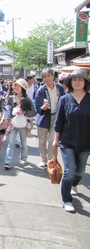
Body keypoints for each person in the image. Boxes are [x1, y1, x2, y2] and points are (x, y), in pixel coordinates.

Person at [53, 69, 90, 213]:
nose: (77, 82)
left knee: (80, 171)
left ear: (85, 82)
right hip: (67, 140)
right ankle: (67, 199)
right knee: (69, 170)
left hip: (86, 141)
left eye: (80, 79)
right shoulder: (64, 99)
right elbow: (59, 121)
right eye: (75, 80)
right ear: (71, 83)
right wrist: (56, 139)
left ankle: (74, 184)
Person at [35, 68, 65, 168]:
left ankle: (51, 159)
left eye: (49, 76)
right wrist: (43, 108)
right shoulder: (41, 90)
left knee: (52, 139)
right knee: (42, 140)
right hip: (44, 117)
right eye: (45, 77)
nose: (47, 78)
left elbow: (64, 101)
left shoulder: (60, 88)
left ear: (53, 76)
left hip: (56, 116)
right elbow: (37, 106)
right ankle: (43, 159)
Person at [3, 78, 36, 170]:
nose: (16, 88)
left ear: (23, 88)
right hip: (13, 124)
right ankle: (7, 161)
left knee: (23, 142)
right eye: (15, 86)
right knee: (10, 143)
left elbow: (33, 112)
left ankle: (24, 157)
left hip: (23, 124)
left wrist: (24, 112)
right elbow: (7, 110)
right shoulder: (11, 98)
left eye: (18, 86)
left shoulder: (27, 99)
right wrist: (8, 119)